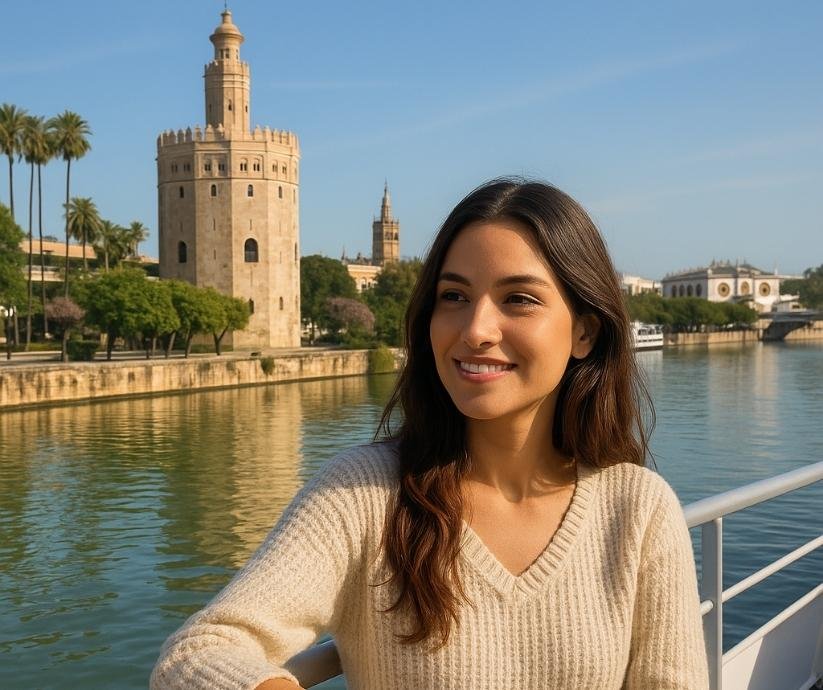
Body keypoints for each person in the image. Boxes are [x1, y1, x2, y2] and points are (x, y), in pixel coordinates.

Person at [151, 179, 709, 689]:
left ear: (584, 331)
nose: (475, 330)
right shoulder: (364, 497)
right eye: (454, 297)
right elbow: (198, 654)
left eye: (519, 299)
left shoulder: (638, 510)